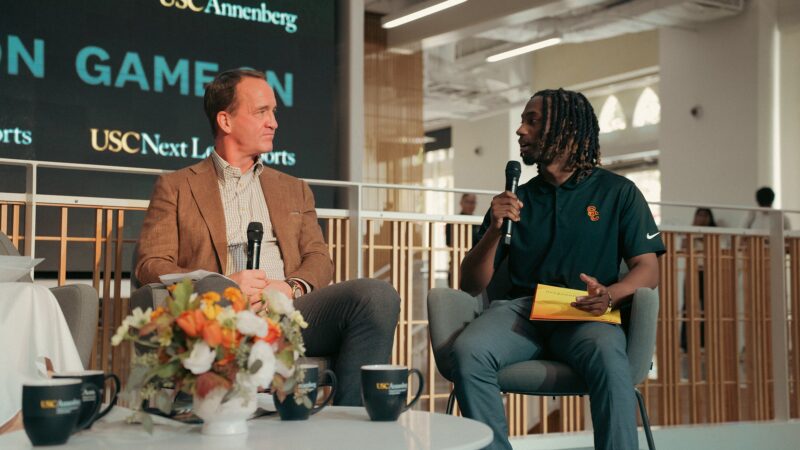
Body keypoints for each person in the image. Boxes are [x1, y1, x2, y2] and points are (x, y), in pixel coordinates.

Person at [135, 69, 400, 406]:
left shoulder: (294, 189)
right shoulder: (176, 187)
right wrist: (222, 284)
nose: (274, 122)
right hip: (220, 315)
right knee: (215, 290)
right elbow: (150, 264)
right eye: (262, 112)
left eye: (274, 112)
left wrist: (291, 287)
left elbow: (318, 257)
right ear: (226, 121)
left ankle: (349, 424)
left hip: (290, 311)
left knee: (377, 295)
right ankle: (219, 417)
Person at [452, 89, 664, 450]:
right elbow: (470, 283)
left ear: (565, 128)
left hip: (585, 310)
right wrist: (492, 231)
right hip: (523, 311)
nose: (520, 130)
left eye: (531, 121)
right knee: (468, 351)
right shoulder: (516, 199)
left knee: (611, 362)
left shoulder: (619, 193)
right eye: (522, 121)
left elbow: (648, 268)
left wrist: (610, 294)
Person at [680, 207, 716, 353]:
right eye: (699, 215)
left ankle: (706, 343)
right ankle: (687, 344)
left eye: (705, 216)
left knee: (708, 308)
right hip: (692, 272)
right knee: (688, 307)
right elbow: (683, 246)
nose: (702, 218)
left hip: (708, 273)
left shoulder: (714, 232)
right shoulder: (690, 231)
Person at [446, 193, 479, 286]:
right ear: (461, 203)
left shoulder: (479, 223)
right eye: (468, 202)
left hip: (474, 265)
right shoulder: (453, 222)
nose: (470, 205)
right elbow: (449, 242)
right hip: (457, 263)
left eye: (473, 202)